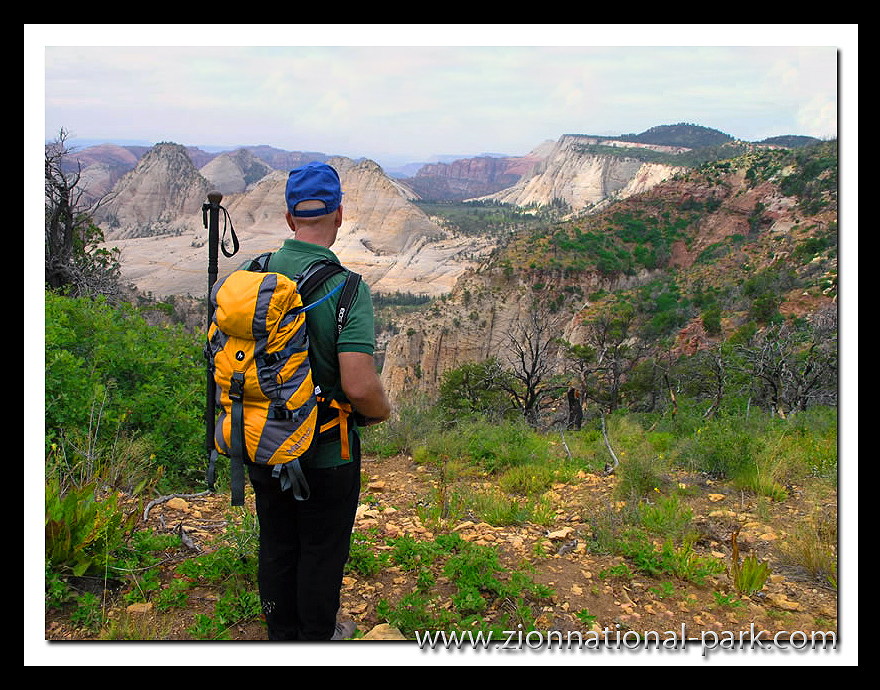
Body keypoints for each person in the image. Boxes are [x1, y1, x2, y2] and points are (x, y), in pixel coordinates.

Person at [246, 161, 391, 641]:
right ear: (339, 215)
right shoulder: (347, 289)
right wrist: (382, 411)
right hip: (327, 455)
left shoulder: (252, 276)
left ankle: (280, 637)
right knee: (322, 554)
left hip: (264, 445)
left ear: (290, 218)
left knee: (278, 545)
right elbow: (359, 385)